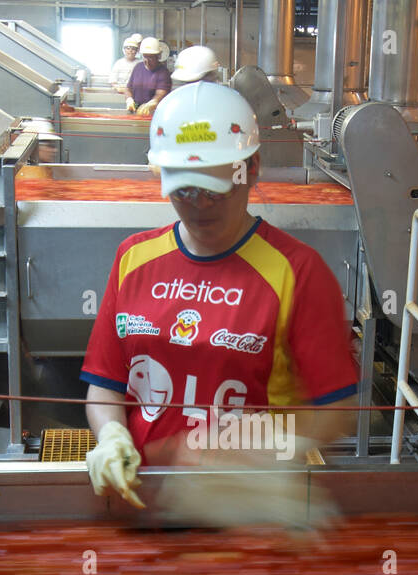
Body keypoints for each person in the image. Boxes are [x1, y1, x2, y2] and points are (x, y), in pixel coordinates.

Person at [80, 83, 358, 514]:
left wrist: (246, 452)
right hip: (142, 498)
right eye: (184, 190)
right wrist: (111, 438)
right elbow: (105, 385)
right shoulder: (133, 257)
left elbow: (337, 408)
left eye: (216, 188)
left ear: (253, 168)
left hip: (249, 507)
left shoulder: (298, 271)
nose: (199, 206)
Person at [126, 37, 171, 116]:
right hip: (136, 109)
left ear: (158, 56)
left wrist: (151, 104)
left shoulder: (163, 72)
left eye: (150, 57)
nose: (147, 60)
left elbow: (160, 94)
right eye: (145, 56)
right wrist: (129, 100)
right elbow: (128, 88)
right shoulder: (138, 67)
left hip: (154, 112)